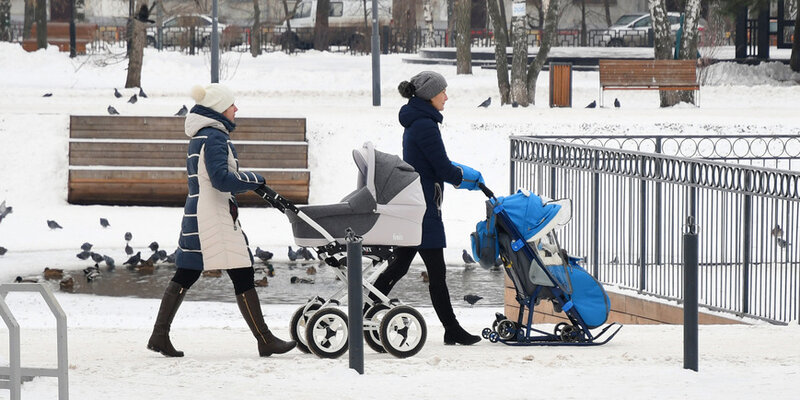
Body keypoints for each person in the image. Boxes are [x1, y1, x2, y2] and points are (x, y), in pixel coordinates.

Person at [147, 83, 296, 358]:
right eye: (232, 105)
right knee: (240, 271)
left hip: (199, 212)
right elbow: (221, 180)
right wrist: (256, 179)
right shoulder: (215, 137)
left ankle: (159, 335)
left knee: (188, 272)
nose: (236, 109)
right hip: (213, 216)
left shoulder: (200, 136)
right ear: (219, 109)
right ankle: (264, 339)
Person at [369, 71, 484, 345]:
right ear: (430, 96)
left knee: (400, 267)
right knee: (435, 272)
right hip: (424, 209)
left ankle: (364, 307)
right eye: (442, 92)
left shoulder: (418, 121)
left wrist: (459, 174)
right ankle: (451, 328)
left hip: (418, 204)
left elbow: (434, 163)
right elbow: (441, 167)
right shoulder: (425, 125)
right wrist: (466, 179)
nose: (446, 96)